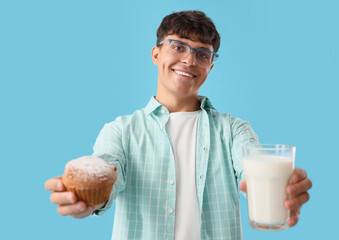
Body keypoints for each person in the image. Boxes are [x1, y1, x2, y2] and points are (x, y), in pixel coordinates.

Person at [45, 10, 312, 240]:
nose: (189, 60)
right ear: (156, 53)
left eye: (203, 54)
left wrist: (282, 190)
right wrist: (86, 200)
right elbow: (107, 173)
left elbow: (253, 172)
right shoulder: (120, 131)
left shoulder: (234, 131)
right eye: (178, 46)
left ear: (210, 67)